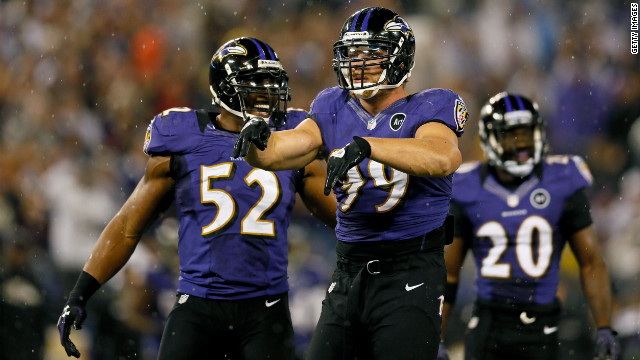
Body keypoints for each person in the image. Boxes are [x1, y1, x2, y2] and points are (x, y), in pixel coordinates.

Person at [56, 37, 337, 360]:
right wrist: (80, 293)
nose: (267, 91)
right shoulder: (182, 137)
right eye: (255, 82)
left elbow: (346, 223)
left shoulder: (292, 139)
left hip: (266, 311)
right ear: (225, 88)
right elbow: (128, 226)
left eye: (271, 81)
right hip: (198, 307)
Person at [234, 7, 468, 359]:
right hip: (349, 271)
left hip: (411, 268)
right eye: (352, 54)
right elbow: (278, 152)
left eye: (370, 54)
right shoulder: (332, 105)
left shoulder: (431, 106)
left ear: (399, 59)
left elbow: (443, 158)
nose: (357, 63)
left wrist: (369, 146)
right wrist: (257, 140)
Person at [438, 92, 619, 360]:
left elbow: (591, 262)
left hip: (544, 321)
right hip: (489, 321)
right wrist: (436, 336)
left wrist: (605, 327)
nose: (521, 143)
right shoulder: (467, 186)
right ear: (490, 139)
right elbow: (449, 273)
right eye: (511, 134)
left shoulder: (563, 179)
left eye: (526, 133)